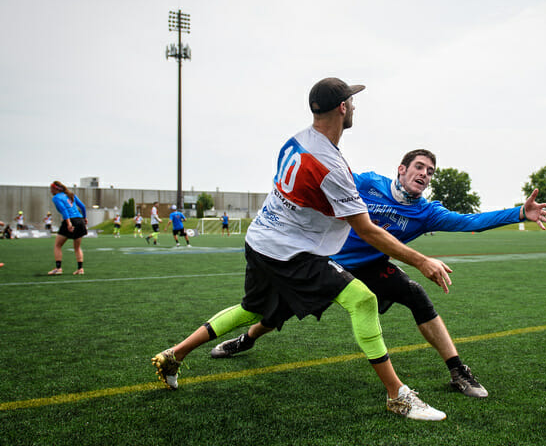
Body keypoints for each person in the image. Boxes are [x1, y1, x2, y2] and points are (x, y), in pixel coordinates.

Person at [151, 77, 453, 421]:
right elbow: (366, 229)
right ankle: (397, 395)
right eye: (351, 101)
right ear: (342, 108)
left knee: (253, 310)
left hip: (260, 241)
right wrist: (421, 260)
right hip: (289, 252)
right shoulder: (331, 165)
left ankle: (173, 355)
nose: (354, 106)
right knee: (363, 300)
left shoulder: (296, 141)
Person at [211, 148, 546, 398]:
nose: (425, 174)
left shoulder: (426, 213)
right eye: (419, 167)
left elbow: (470, 222)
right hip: (327, 262)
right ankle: (247, 339)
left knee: (416, 295)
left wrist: (519, 213)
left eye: (431, 171)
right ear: (402, 170)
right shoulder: (367, 183)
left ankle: (457, 370)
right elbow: (329, 187)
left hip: (372, 267)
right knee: (275, 311)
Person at [48, 180, 88, 275]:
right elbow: (82, 206)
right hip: (80, 220)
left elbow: (64, 210)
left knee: (57, 245)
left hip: (71, 220)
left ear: (55, 189)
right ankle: (80, 269)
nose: (50, 191)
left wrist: (69, 223)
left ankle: (58, 268)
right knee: (77, 247)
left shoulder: (56, 198)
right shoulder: (70, 195)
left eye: (51, 189)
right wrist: (85, 217)